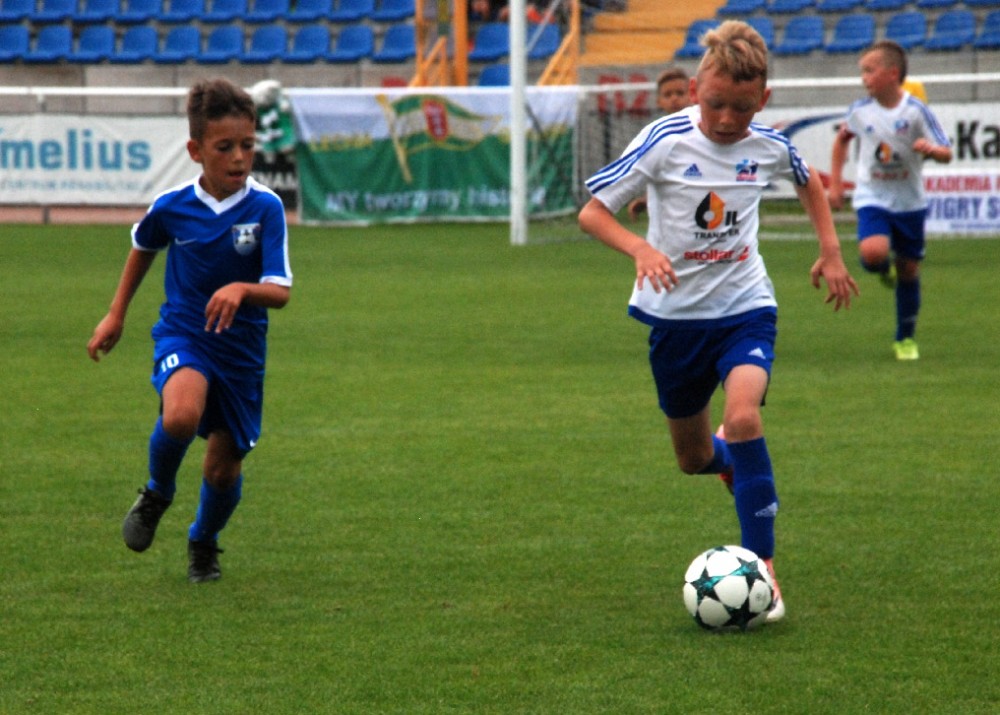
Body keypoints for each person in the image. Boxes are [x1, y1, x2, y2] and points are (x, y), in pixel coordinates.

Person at [578, 20, 858, 623]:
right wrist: (640, 249)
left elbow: (809, 183)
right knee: (693, 458)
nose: (728, 120)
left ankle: (764, 569)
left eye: (742, 108)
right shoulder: (664, 140)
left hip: (745, 309)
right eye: (715, 105)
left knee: (745, 414)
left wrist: (831, 250)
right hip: (676, 321)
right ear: (694, 90)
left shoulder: (769, 146)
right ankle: (729, 461)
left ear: (764, 99)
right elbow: (593, 213)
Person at [87, 78, 293, 583]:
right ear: (196, 151)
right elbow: (144, 247)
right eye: (225, 147)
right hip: (186, 333)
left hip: (241, 352)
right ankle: (158, 491)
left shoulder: (265, 207)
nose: (239, 158)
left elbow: (280, 290)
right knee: (180, 415)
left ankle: (203, 540)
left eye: (247, 145)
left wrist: (242, 290)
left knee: (222, 469)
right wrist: (116, 314)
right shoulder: (172, 206)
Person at [828, 40, 952, 361]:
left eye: (869, 71)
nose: (864, 78)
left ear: (892, 74)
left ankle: (905, 338)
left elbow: (946, 151)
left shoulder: (916, 111)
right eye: (862, 72)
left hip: (909, 201)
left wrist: (932, 150)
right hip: (873, 196)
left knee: (909, 269)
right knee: (873, 252)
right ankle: (883, 267)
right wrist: (836, 183)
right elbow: (841, 141)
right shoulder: (860, 111)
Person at [628, 67, 692, 220]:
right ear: (659, 101)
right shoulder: (655, 137)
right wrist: (646, 199)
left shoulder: (704, 131)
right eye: (668, 95)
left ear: (692, 94)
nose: (674, 98)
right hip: (669, 219)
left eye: (680, 93)